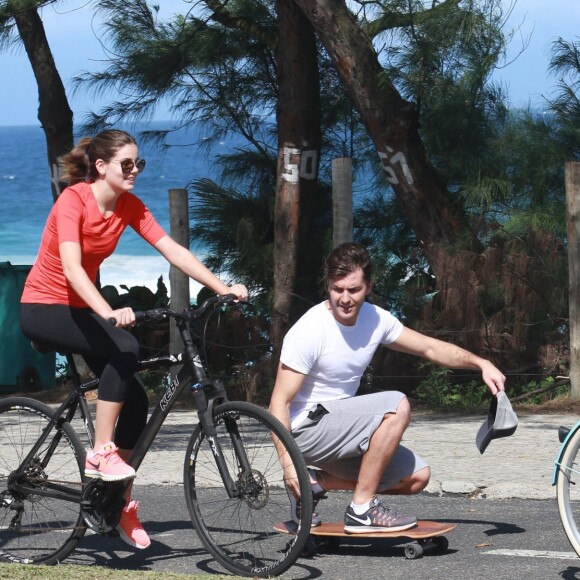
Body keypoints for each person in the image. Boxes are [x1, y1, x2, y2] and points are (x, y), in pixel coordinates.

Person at [20, 129, 248, 550]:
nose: (135, 171)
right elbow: (71, 268)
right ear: (100, 166)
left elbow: (174, 251)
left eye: (138, 164)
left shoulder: (128, 206)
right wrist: (105, 310)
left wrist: (222, 287)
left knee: (137, 397)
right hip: (42, 306)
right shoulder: (74, 200)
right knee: (125, 347)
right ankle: (100, 453)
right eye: (127, 164)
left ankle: (117, 502)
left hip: (81, 308)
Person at [269, 242, 505, 533]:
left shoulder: (375, 319)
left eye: (353, 290)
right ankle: (362, 510)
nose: (344, 298)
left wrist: (481, 364)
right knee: (396, 404)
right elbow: (277, 404)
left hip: (342, 433)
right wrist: (288, 465)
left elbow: (430, 348)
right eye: (337, 289)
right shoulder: (310, 330)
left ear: (368, 286)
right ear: (327, 286)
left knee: (417, 476)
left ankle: (314, 484)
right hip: (305, 432)